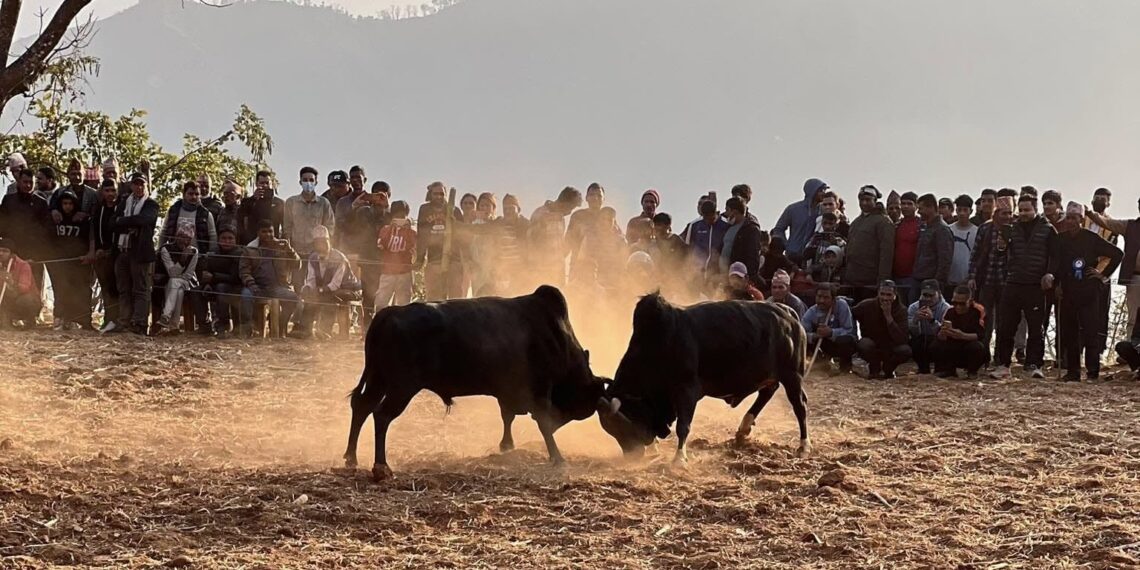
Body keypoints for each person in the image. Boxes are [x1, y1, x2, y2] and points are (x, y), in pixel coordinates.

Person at [1048, 202, 1123, 382]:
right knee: (1069, 333)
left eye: (1075, 218)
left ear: (1081, 220)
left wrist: (1102, 274)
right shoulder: (1060, 239)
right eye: (1068, 217)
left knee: (1090, 332)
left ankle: (1092, 371)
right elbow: (1056, 264)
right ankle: (1073, 372)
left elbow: (1117, 254)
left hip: (1089, 291)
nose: (1071, 221)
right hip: (1067, 291)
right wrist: (1056, 285)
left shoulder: (1091, 238)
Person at [991, 195, 1056, 379]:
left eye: (1027, 210)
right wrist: (1001, 246)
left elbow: (1055, 256)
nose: (1024, 214)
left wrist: (1050, 273)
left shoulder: (1048, 229)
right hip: (1013, 283)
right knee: (1006, 326)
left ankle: (1034, 364)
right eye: (1021, 210)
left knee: (1036, 327)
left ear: (1035, 209)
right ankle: (1003, 364)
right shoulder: (1011, 229)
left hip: (1036, 285)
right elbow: (1000, 255)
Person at [111, 173, 160, 335]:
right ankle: (124, 321)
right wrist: (130, 223)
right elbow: (113, 222)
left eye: (142, 184)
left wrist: (123, 221)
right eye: (136, 184)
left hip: (140, 252)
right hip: (122, 249)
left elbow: (144, 220)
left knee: (141, 289)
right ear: (131, 185)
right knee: (124, 289)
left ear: (146, 186)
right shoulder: (125, 201)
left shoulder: (151, 204)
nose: (139, 187)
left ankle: (140, 324)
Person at [967, 195, 1015, 355]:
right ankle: (983, 354)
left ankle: (1001, 355)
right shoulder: (985, 229)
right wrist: (972, 276)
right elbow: (975, 255)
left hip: (1007, 282)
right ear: (996, 213)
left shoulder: (1016, 229)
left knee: (1004, 321)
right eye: (1004, 213)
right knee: (984, 319)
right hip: (986, 280)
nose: (1007, 217)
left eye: (1010, 213)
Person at [296, 225, 362, 339]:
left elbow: (335, 285)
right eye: (318, 243)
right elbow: (311, 280)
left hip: (348, 289)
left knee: (331, 296)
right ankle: (305, 329)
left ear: (329, 241)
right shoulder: (313, 258)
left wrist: (320, 290)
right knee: (310, 296)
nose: (321, 246)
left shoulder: (339, 258)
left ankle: (325, 330)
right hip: (327, 290)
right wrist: (308, 288)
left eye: (323, 242)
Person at [1085, 197, 1140, 333]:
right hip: (1135, 278)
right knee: (1133, 317)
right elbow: (1107, 223)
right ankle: (1131, 350)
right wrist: (1090, 214)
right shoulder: (1130, 225)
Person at [239, 221, 300, 338]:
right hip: (256, 286)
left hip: (277, 286)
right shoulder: (250, 249)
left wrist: (290, 250)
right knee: (245, 295)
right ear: (258, 233)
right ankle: (248, 329)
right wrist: (252, 284)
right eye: (264, 232)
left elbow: (297, 265)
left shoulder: (281, 246)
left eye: (270, 231)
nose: (268, 234)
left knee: (293, 298)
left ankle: (280, 326)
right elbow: (244, 271)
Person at [0, 168, 52, 291]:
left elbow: (45, 233)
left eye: (31, 182)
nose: (28, 185)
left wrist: (37, 255)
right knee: (8, 290)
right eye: (25, 182)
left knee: (34, 291)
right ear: (18, 181)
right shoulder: (8, 200)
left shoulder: (41, 203)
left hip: (34, 255)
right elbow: (2, 227)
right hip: (12, 253)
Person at [48, 191, 94, 330]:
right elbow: (49, 239)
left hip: (78, 262)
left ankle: (82, 320)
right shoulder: (55, 219)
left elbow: (89, 238)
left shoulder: (82, 220)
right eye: (64, 203)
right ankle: (60, 318)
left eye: (70, 204)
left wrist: (87, 254)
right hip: (60, 262)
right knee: (61, 289)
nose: (67, 206)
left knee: (80, 290)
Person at [1082, 187, 1118, 359]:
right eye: (1097, 197)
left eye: (1103, 199)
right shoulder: (1082, 220)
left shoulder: (1111, 225)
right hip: (1079, 272)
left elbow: (1111, 253)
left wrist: (1100, 273)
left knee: (1100, 313)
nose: (1099, 201)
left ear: (1108, 203)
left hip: (1101, 274)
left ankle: (1098, 352)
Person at [284, 166, 336, 285]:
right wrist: (288, 250)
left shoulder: (323, 203)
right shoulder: (291, 202)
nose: (308, 183)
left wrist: (325, 248)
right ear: (300, 182)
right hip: (297, 252)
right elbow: (287, 227)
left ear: (316, 182)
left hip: (317, 253)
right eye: (305, 180)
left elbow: (330, 226)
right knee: (297, 283)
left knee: (316, 285)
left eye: (311, 180)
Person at [843, 185, 895, 304]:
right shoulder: (856, 222)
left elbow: (887, 253)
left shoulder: (883, 221)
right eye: (861, 200)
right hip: (852, 279)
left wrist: (883, 280)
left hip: (870, 281)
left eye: (868, 200)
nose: (864, 203)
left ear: (875, 201)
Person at [852, 279, 912, 379]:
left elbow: (902, 339)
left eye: (888, 295)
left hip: (891, 347)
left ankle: (888, 369)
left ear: (894, 295)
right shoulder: (867, 305)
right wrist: (853, 332)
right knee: (864, 344)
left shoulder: (901, 310)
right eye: (882, 294)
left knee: (905, 350)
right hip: (872, 344)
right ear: (878, 293)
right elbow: (850, 314)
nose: (885, 298)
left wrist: (889, 318)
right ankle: (874, 368)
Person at [417, 181, 464, 300]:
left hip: (454, 260)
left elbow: (463, 235)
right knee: (434, 299)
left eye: (442, 194)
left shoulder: (454, 210)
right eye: (435, 194)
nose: (439, 197)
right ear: (430, 194)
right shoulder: (424, 209)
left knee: (456, 299)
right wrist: (419, 258)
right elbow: (422, 235)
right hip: (434, 259)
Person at [528, 186, 583, 287]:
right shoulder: (540, 213)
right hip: (542, 269)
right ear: (565, 203)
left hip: (557, 270)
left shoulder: (560, 217)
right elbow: (531, 239)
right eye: (570, 208)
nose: (570, 212)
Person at [931, 286, 989, 378]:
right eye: (955, 303)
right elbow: (941, 335)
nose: (958, 306)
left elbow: (982, 334)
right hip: (954, 347)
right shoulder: (949, 311)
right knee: (936, 344)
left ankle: (972, 371)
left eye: (962, 303)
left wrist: (962, 335)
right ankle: (946, 369)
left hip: (970, 346)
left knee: (977, 346)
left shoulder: (978, 311)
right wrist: (942, 333)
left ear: (970, 302)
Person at [87, 179, 120, 332]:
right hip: (100, 256)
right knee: (105, 289)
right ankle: (108, 319)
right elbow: (93, 230)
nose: (110, 194)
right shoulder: (98, 209)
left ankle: (117, 320)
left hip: (116, 255)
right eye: (107, 191)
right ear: (102, 192)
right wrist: (95, 250)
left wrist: (110, 251)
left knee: (116, 289)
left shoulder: (121, 209)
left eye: (113, 191)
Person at [200, 227, 246, 338]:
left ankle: (223, 325)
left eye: (230, 238)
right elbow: (207, 271)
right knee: (196, 290)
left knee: (222, 288)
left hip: (236, 287)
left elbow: (235, 277)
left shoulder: (240, 253)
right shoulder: (213, 253)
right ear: (218, 240)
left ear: (235, 240)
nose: (227, 241)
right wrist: (207, 284)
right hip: (215, 286)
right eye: (224, 238)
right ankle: (204, 325)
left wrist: (213, 277)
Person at [801, 283, 857, 374]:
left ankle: (845, 368)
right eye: (819, 296)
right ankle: (821, 364)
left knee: (847, 340)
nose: (821, 300)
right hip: (823, 343)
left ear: (833, 299)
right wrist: (815, 335)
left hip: (840, 343)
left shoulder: (841, 306)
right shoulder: (812, 311)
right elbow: (801, 333)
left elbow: (848, 329)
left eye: (826, 297)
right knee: (805, 341)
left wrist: (831, 332)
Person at [155, 228, 200, 335]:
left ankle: (166, 316)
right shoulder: (166, 249)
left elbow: (188, 274)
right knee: (177, 290)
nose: (185, 241)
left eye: (188, 239)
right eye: (182, 237)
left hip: (187, 282)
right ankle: (174, 327)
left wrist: (178, 274)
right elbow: (171, 273)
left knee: (175, 282)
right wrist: (182, 260)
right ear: (176, 237)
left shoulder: (194, 251)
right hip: (167, 282)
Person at [773, 178, 828, 264]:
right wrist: (787, 245)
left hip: (813, 258)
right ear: (812, 191)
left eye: (825, 190)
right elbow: (778, 229)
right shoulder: (793, 209)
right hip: (792, 257)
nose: (824, 193)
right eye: (821, 190)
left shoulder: (823, 211)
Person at [375, 200, 417, 309]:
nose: (400, 218)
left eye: (402, 215)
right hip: (387, 272)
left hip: (404, 273)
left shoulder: (412, 232)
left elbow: (414, 248)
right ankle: (382, 324)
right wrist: (391, 229)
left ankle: (404, 326)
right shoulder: (385, 229)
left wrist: (408, 229)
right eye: (397, 215)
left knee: (404, 306)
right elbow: (381, 245)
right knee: (381, 304)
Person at [681, 197, 729, 293]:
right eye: (705, 218)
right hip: (697, 274)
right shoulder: (694, 225)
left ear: (716, 213)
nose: (708, 221)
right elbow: (687, 249)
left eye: (711, 218)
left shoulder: (726, 225)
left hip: (717, 274)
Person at [912, 193, 953, 301]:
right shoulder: (926, 227)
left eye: (921, 208)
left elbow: (945, 260)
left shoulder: (942, 229)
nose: (918, 212)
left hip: (930, 284)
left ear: (930, 207)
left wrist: (937, 284)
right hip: (919, 279)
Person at [160, 181, 218, 253]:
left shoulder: (206, 214)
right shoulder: (173, 211)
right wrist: (160, 249)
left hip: (198, 256)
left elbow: (212, 236)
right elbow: (164, 231)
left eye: (196, 194)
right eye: (190, 194)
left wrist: (211, 254)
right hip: (174, 254)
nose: (193, 197)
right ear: (184, 194)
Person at [907, 279, 950, 375]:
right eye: (925, 295)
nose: (928, 299)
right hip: (922, 340)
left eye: (931, 295)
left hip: (938, 341)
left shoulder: (946, 308)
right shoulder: (913, 307)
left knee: (939, 345)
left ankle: (941, 369)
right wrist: (915, 320)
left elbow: (944, 333)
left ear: (938, 293)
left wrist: (932, 320)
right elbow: (910, 332)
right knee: (915, 343)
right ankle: (923, 369)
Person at [566, 183, 607, 283]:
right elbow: (568, 242)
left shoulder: (608, 217)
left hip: (602, 268)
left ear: (603, 199)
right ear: (586, 198)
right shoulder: (578, 216)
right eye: (592, 195)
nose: (595, 198)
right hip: (578, 267)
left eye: (599, 196)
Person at [0, 238, 42, 328]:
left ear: (12, 254)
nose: (1, 254)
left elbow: (24, 288)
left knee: (26, 301)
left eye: (5, 251)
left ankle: (29, 320)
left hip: (23, 298)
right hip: (6, 298)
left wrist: (11, 282)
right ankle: (6, 322)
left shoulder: (23, 265)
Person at [723, 196, 764, 287]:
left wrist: (750, 278)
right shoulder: (728, 227)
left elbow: (753, 256)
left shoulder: (751, 229)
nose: (725, 213)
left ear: (734, 211)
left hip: (739, 278)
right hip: (725, 276)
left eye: (727, 210)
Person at [492, 194, 529, 294]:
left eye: (511, 208)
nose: (508, 212)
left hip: (520, 269)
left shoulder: (526, 224)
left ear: (518, 209)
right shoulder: (498, 223)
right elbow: (480, 229)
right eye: (505, 209)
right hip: (502, 270)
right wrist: (457, 225)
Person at [237, 170, 285, 245]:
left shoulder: (279, 203)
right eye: (262, 183)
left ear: (271, 184)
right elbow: (241, 219)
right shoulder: (247, 202)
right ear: (256, 184)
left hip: (273, 242)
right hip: (252, 242)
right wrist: (253, 200)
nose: (265, 186)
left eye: (267, 183)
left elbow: (284, 225)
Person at [891, 191, 920, 304]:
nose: (906, 206)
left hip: (913, 277)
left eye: (909, 203)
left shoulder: (921, 225)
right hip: (897, 276)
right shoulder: (896, 225)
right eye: (903, 204)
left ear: (916, 206)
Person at [948, 194, 977, 294]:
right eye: (959, 210)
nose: (962, 213)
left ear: (971, 211)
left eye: (965, 210)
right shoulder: (948, 230)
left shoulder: (977, 231)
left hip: (968, 281)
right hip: (949, 280)